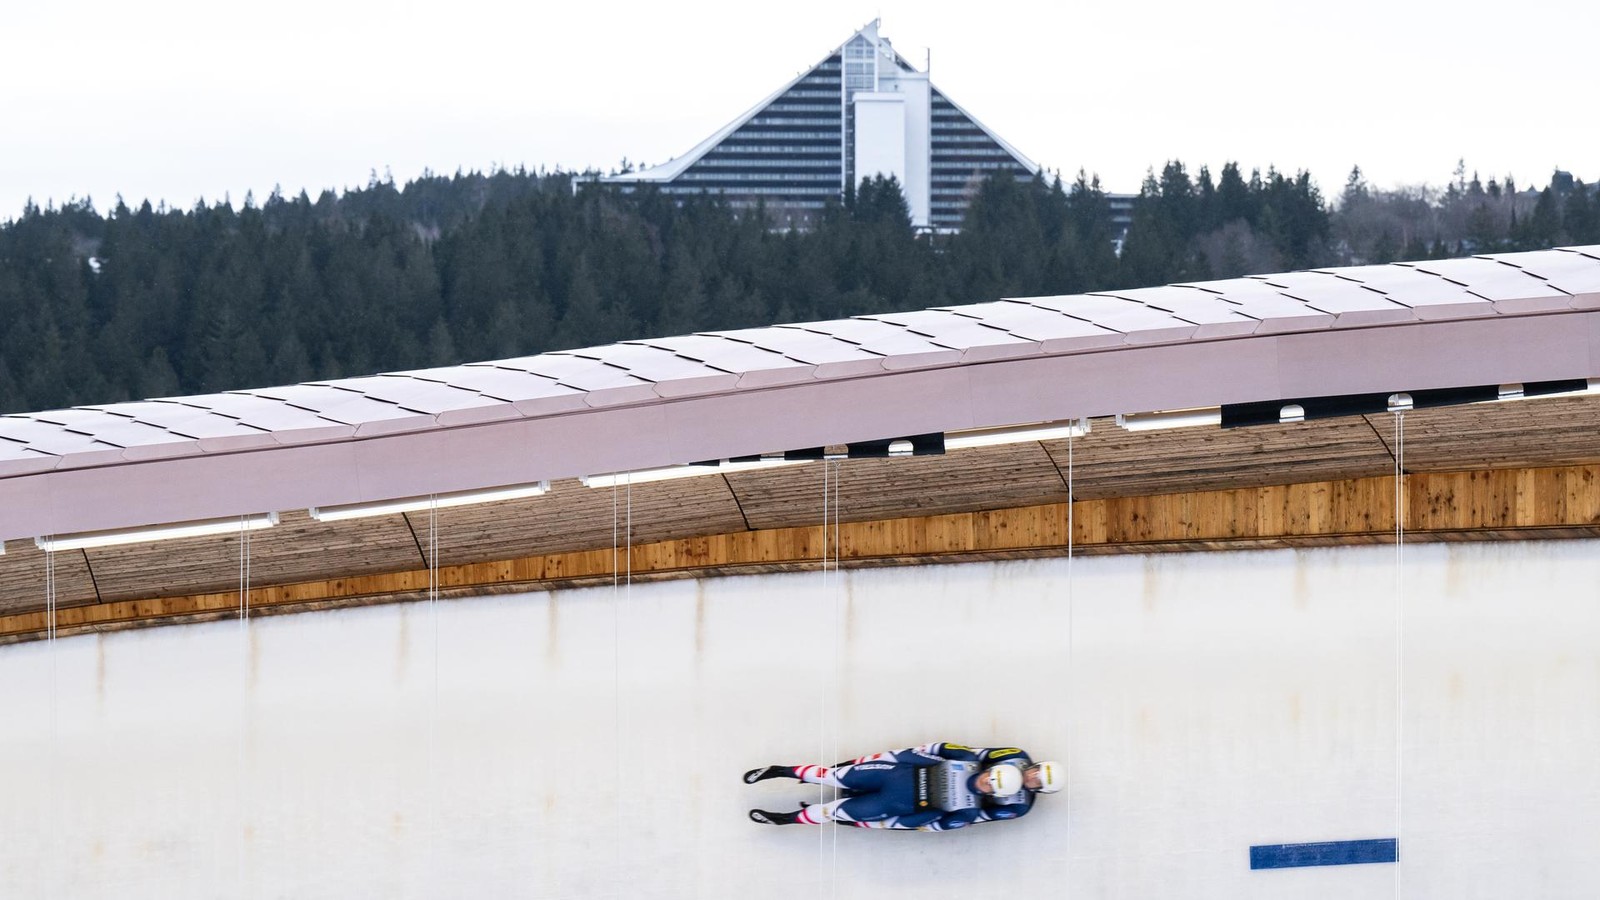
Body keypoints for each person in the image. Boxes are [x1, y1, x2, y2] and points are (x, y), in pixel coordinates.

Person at [743, 741, 1062, 830]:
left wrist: (899, 823)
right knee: (831, 775)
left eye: (991, 785)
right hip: (894, 776)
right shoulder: (971, 760)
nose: (986, 780)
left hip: (896, 806)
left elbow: (938, 823)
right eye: (1035, 772)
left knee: (830, 811)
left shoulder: (971, 809)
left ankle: (786, 819)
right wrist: (899, 758)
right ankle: (779, 770)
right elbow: (936, 749)